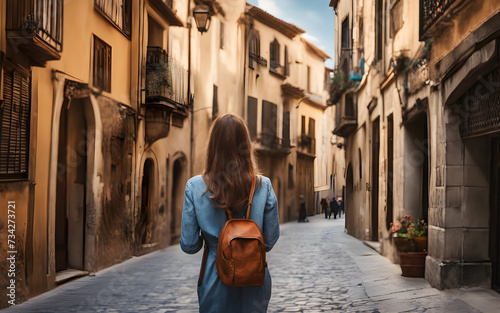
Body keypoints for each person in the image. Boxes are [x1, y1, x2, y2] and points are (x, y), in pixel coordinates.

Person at [180, 113, 280, 313]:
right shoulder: (264, 186)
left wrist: (211, 241)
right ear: (246, 145)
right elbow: (268, 241)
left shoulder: (195, 186)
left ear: (213, 146)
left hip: (214, 279)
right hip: (255, 279)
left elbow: (189, 245)